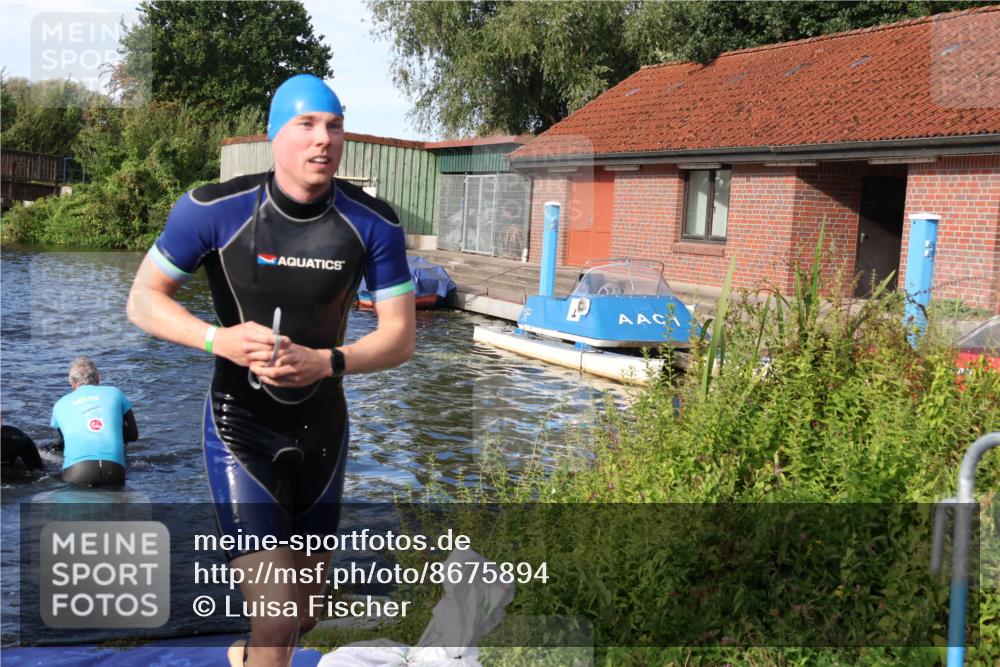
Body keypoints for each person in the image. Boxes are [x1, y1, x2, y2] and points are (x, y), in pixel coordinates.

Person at [126, 73, 416, 667]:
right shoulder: (214, 209)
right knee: (279, 613)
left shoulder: (374, 224)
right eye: (306, 125)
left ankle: (243, 658)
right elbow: (143, 300)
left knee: (303, 613)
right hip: (241, 428)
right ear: (273, 136)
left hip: (323, 433)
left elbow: (399, 338)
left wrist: (327, 362)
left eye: (334, 126)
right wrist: (218, 339)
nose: (323, 140)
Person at [50, 357, 139, 486]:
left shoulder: (59, 404)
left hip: (78, 471)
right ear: (98, 378)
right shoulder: (115, 393)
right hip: (114, 470)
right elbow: (133, 435)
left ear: (71, 383)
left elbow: (63, 441)